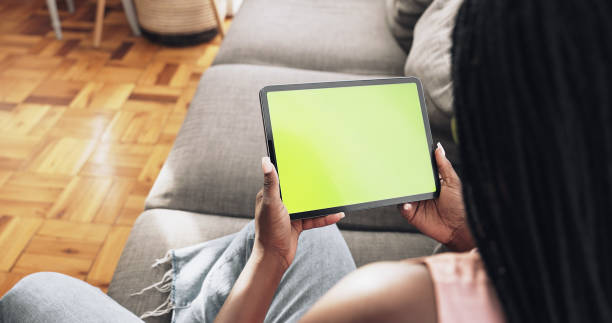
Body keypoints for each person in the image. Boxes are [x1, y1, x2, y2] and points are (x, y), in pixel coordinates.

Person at [2, 0, 611, 321]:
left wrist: (269, 260)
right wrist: (463, 236)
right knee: (317, 236)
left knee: (38, 294)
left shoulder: (392, 301)